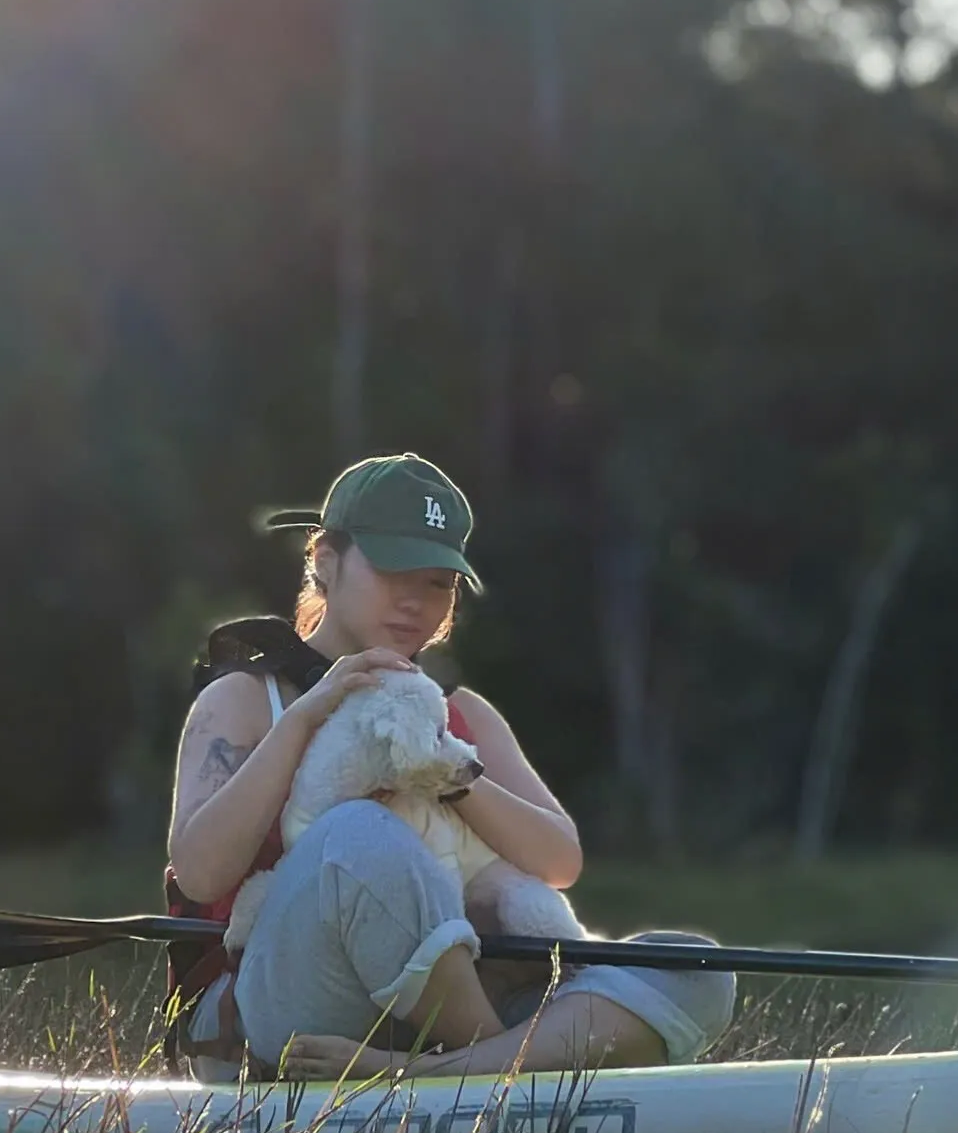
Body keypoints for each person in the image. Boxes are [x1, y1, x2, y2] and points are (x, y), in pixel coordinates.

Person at [166, 452, 733, 1081]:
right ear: (325, 560)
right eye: (391, 570)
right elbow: (199, 873)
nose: (415, 601)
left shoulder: (461, 715)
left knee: (693, 967)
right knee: (355, 834)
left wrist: (444, 774)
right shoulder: (245, 699)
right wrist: (307, 717)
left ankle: (439, 1072)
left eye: (438, 581)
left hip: (436, 1019)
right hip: (284, 1011)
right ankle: (506, 1074)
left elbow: (558, 861)